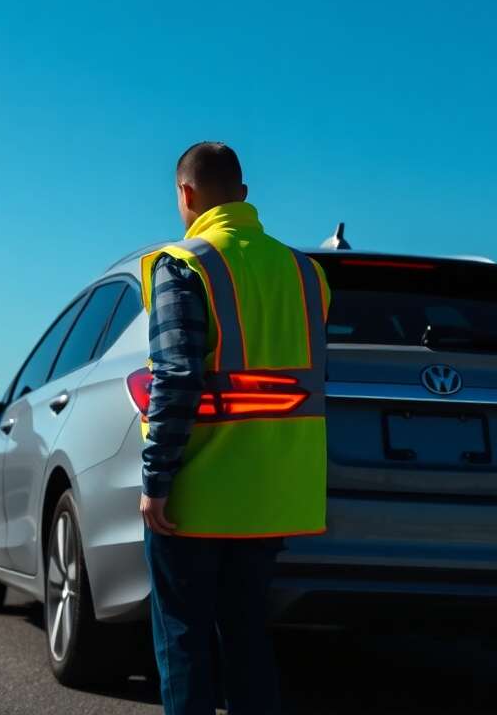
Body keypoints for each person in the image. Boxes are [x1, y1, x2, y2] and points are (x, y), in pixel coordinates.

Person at [139, 142, 330, 715]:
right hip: (274, 494)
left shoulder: (186, 262)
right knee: (248, 640)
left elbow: (175, 377)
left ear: (186, 195)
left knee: (184, 640)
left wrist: (156, 478)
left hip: (201, 489)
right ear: (244, 196)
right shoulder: (306, 272)